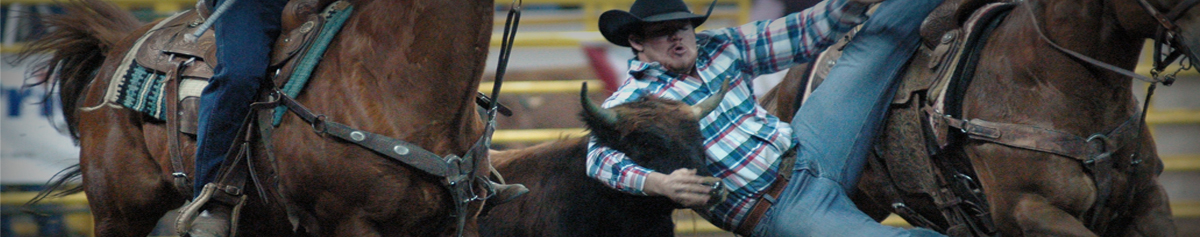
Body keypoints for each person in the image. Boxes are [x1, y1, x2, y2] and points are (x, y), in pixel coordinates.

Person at [589, 0, 945, 235]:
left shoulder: (720, 47)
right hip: (778, 208)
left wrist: (848, 4)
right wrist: (659, 183)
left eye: (682, 28)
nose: (677, 38)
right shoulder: (633, 101)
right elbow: (599, 158)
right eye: (662, 33)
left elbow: (802, 31)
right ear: (636, 41)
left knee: (881, 33)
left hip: (811, 145)